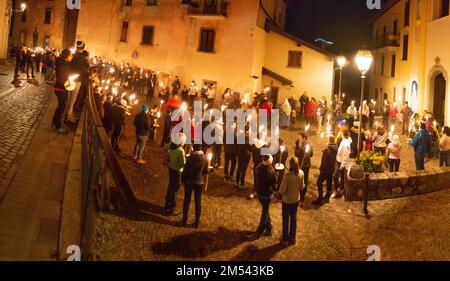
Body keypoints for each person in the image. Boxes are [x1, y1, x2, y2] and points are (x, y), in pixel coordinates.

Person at [247, 155, 277, 240]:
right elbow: (275, 186)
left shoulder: (258, 168)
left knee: (265, 210)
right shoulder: (271, 173)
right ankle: (259, 232)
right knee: (265, 213)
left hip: (259, 193)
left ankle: (269, 228)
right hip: (267, 195)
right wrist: (276, 176)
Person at [181, 144, 209, 228]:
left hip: (189, 182)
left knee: (187, 200)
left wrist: (183, 179)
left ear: (194, 148)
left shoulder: (190, 158)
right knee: (198, 202)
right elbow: (205, 171)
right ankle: (197, 222)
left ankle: (184, 220)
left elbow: (186, 171)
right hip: (199, 182)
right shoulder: (205, 158)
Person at [279, 157, 304, 247]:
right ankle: (292, 238)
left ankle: (285, 239)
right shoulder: (301, 173)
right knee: (293, 218)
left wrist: (279, 193)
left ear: (290, 164)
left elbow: (281, 190)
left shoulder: (287, 176)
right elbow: (302, 187)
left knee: (285, 219)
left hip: (287, 200)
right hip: (296, 199)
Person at [164, 133, 186, 216]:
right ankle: (172, 208)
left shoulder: (171, 146)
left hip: (170, 169)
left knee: (170, 186)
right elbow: (182, 164)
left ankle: (167, 205)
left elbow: (165, 148)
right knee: (175, 189)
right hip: (177, 172)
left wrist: (169, 157)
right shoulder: (181, 151)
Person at [51, 49, 72, 134]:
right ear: (66, 57)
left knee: (60, 107)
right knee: (61, 107)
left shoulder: (62, 63)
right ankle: (58, 126)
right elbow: (62, 79)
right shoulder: (64, 65)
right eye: (71, 55)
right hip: (61, 89)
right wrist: (69, 84)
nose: (71, 57)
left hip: (59, 88)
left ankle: (55, 123)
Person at [313, 135, 338, 205]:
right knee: (329, 183)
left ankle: (320, 198)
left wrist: (321, 169)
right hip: (332, 168)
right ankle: (327, 198)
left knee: (319, 182)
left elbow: (324, 161)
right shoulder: (335, 148)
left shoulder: (328, 150)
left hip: (326, 169)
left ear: (329, 140)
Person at [332, 129, 352, 198]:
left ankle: (336, 190)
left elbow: (345, 155)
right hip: (339, 161)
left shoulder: (345, 144)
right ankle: (340, 189)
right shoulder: (344, 141)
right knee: (341, 176)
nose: (340, 134)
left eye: (341, 133)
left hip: (341, 163)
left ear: (343, 134)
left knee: (335, 175)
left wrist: (342, 165)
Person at [294, 132, 313, 202]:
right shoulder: (309, 144)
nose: (299, 139)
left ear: (304, 138)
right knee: (305, 179)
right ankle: (302, 194)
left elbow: (296, 154)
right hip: (307, 164)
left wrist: (296, 145)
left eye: (300, 138)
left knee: (302, 180)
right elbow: (311, 154)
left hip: (302, 165)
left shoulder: (302, 147)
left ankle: (301, 195)